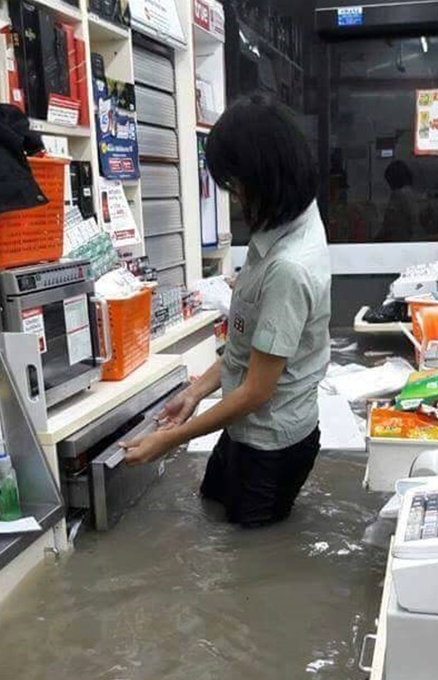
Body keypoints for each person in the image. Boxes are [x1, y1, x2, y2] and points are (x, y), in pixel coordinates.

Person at [122, 94, 331, 528]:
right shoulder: (289, 218)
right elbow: (246, 342)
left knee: (251, 561)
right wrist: (194, 393)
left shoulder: (288, 267)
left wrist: (170, 441)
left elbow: (256, 392)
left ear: (264, 178)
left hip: (271, 445)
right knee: (211, 508)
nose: (235, 199)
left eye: (236, 187)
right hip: (245, 429)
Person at [375, 159, 421, 243]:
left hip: (399, 241)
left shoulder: (398, 196)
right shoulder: (412, 194)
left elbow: (389, 224)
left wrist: (375, 240)